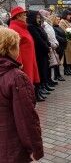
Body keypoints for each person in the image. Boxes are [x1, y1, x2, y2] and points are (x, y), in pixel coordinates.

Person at [0, 27, 44, 163]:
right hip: (11, 147)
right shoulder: (16, 77)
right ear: (10, 48)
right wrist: (35, 149)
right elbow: (26, 117)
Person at [9, 7, 40, 90]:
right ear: (18, 16)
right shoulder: (14, 28)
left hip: (28, 60)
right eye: (24, 15)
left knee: (28, 82)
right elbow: (14, 48)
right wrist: (19, 63)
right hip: (23, 63)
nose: (26, 17)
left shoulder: (22, 27)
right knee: (24, 83)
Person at [27, 10, 55, 98]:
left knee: (44, 69)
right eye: (37, 18)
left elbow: (45, 37)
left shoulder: (38, 26)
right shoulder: (31, 27)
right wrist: (47, 47)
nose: (38, 19)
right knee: (41, 70)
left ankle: (43, 86)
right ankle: (40, 88)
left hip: (44, 51)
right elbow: (38, 40)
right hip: (39, 52)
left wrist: (49, 45)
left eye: (39, 17)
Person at [39, 9, 59, 87]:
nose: (49, 16)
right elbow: (46, 36)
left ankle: (49, 80)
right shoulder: (43, 24)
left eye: (49, 14)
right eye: (47, 15)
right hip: (49, 46)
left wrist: (55, 42)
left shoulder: (48, 23)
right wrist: (51, 44)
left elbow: (52, 34)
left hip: (52, 45)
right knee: (48, 65)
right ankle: (47, 81)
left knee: (50, 64)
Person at [59, 10, 71, 75]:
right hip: (66, 40)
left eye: (70, 15)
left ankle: (68, 68)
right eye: (68, 15)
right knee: (66, 56)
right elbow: (63, 31)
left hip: (70, 41)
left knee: (69, 55)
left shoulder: (68, 21)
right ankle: (66, 69)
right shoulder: (62, 21)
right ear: (65, 15)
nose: (70, 16)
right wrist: (70, 34)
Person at [52, 14, 67, 80]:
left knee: (59, 61)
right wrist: (63, 39)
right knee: (57, 62)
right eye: (57, 19)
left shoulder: (58, 26)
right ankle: (56, 75)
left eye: (59, 19)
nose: (58, 21)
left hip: (62, 46)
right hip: (58, 46)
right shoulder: (53, 27)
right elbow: (56, 36)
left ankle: (58, 75)